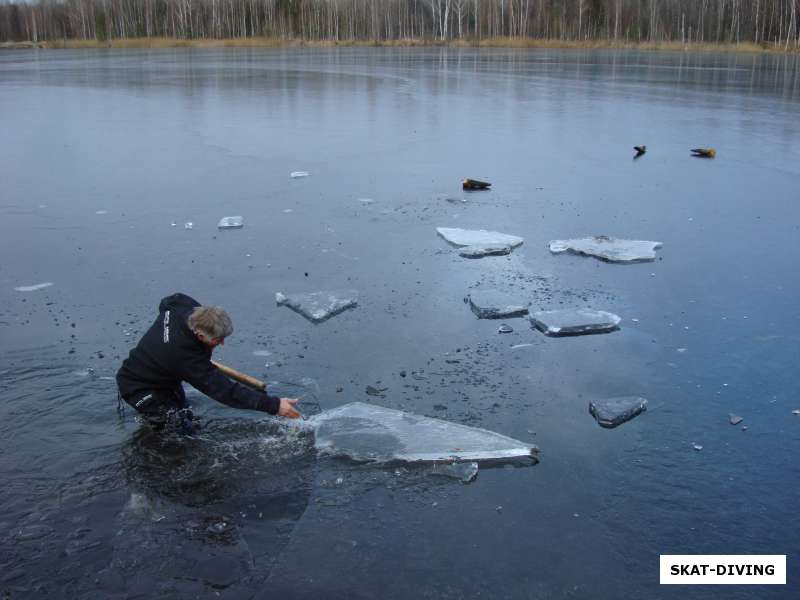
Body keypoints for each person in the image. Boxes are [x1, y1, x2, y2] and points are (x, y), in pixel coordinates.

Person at [117, 292, 300, 431]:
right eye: (216, 340)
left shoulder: (182, 307)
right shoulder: (185, 357)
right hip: (138, 387)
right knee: (175, 430)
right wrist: (274, 405)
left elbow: (167, 301)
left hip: (166, 376)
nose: (221, 343)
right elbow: (225, 392)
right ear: (199, 334)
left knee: (187, 417)